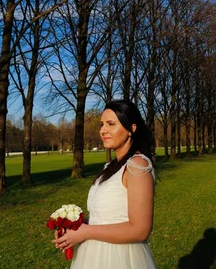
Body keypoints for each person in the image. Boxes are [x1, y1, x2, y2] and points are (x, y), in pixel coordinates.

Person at [53, 100, 157, 268]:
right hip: (94, 255)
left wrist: (86, 232)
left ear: (132, 128)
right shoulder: (111, 166)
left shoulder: (137, 166)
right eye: (102, 124)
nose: (103, 130)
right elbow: (105, 218)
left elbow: (140, 230)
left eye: (111, 124)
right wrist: (75, 226)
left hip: (119, 258)